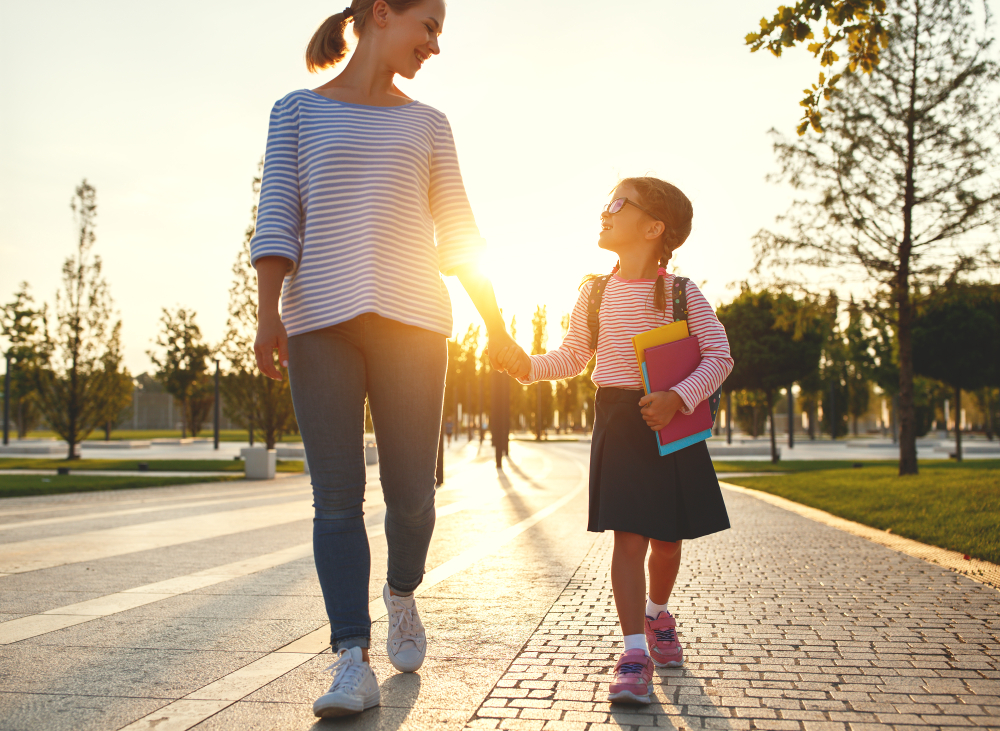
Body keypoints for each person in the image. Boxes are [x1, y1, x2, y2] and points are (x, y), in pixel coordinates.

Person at [251, 0, 525, 718]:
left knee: (411, 495)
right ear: (381, 13)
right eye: (427, 27)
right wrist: (267, 317)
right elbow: (279, 215)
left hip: (413, 324)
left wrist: (494, 324)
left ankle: (402, 590)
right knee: (336, 498)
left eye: (440, 33)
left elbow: (460, 231)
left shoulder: (428, 123)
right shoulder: (296, 112)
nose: (434, 44)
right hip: (318, 324)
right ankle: (351, 655)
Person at [496, 177, 734, 705]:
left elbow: (720, 357)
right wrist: (527, 366)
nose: (606, 212)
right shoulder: (595, 291)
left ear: (653, 228)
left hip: (670, 422)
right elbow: (572, 356)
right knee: (628, 539)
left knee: (667, 542)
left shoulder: (680, 292)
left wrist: (678, 395)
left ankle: (657, 614)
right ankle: (633, 653)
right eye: (608, 203)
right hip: (619, 422)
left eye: (618, 204)